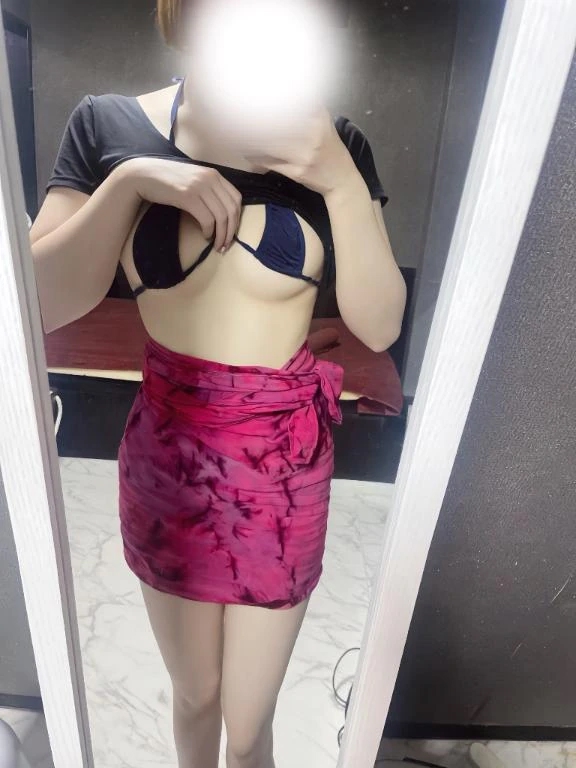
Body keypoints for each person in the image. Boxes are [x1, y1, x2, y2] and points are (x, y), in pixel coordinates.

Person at [30, 1, 407, 766]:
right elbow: (38, 302)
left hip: (283, 471)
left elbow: (378, 327)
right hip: (168, 460)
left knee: (249, 721)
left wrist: (340, 181)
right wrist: (129, 184)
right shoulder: (107, 127)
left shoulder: (333, 144)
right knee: (196, 697)